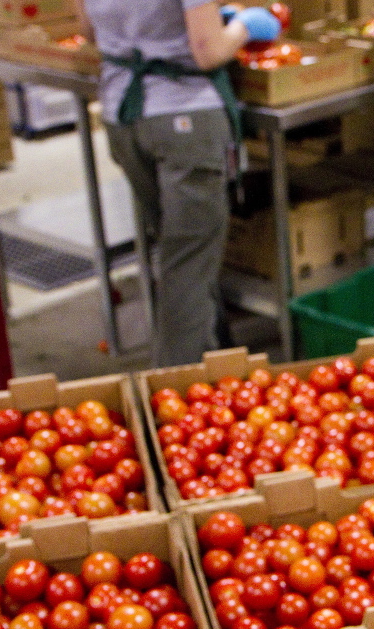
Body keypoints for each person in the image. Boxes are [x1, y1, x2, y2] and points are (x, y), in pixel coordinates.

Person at [71, 0, 281, 367]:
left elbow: (88, 30)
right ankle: (174, 390)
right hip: (184, 119)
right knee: (187, 261)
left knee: (179, 247)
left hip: (124, 118)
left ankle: (216, 358)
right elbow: (208, 51)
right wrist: (245, 26)